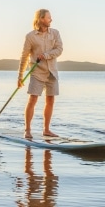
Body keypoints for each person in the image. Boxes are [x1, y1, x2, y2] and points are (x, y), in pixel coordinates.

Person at [17, 9, 63, 139]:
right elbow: (24, 56)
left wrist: (47, 55)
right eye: (49, 18)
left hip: (52, 72)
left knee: (50, 100)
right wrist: (20, 76)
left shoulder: (55, 33)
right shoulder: (30, 36)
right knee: (33, 99)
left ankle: (46, 130)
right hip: (37, 72)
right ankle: (27, 130)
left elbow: (59, 50)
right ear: (41, 18)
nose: (51, 20)